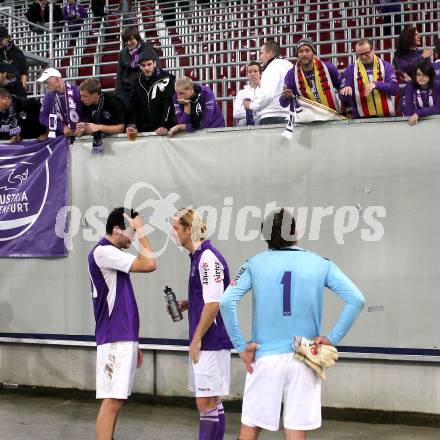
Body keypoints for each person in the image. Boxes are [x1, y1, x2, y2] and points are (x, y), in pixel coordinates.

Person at [220, 208, 365, 440]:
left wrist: (240, 346)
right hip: (304, 357)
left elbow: (227, 302)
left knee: (250, 428)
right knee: (295, 429)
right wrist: (332, 337)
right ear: (295, 232)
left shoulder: (253, 264)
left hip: (264, 356)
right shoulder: (320, 263)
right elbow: (356, 299)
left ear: (265, 236)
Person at [88, 207, 156, 440]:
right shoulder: (103, 252)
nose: (134, 238)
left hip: (122, 337)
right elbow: (149, 264)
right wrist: (141, 228)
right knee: (112, 401)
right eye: (131, 233)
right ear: (117, 230)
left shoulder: (110, 254)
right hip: (115, 336)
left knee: (116, 400)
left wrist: (134, 342)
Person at [170, 208, 233, 440]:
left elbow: (214, 303)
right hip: (207, 341)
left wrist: (196, 339)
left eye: (176, 228)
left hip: (211, 341)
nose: (173, 233)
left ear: (189, 229)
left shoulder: (207, 258)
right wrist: (189, 302)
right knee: (211, 401)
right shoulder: (197, 257)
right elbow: (208, 297)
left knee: (205, 401)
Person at [340, 38, 399, 118]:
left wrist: (376, 85)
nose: (363, 57)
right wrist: (346, 92)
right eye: (360, 54)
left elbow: (395, 89)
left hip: (386, 117)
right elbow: (343, 98)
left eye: (366, 53)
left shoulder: (386, 66)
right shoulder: (350, 70)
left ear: (373, 50)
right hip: (361, 119)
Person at [280, 38, 342, 114]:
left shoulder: (328, 68)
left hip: (332, 116)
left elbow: (342, 88)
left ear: (313, 52)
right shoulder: (291, 75)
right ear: (297, 55)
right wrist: (285, 97)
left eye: (307, 50)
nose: (304, 54)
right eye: (300, 51)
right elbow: (283, 104)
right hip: (307, 119)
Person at [126, 48, 175, 137]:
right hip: (144, 128)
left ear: (154, 63)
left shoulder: (167, 78)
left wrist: (164, 125)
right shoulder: (137, 82)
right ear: (139, 66)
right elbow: (134, 106)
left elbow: (168, 103)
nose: (147, 68)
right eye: (143, 65)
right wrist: (133, 125)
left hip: (164, 128)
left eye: (149, 64)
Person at [243, 40, 292, 125]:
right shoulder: (290, 66)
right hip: (290, 118)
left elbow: (267, 95)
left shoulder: (271, 68)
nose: (260, 57)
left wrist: (251, 105)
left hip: (271, 118)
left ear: (269, 53)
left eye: (261, 53)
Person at [115, 27, 160, 112]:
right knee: (118, 99)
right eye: (126, 41)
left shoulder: (148, 49)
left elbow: (157, 69)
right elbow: (120, 74)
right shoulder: (122, 53)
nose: (128, 43)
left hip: (145, 83)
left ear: (137, 38)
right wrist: (117, 91)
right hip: (128, 86)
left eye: (131, 40)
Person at [76, 79, 125, 153]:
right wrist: (82, 129)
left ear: (95, 95)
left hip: (119, 145)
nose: (82, 99)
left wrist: (99, 127)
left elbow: (121, 128)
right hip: (98, 146)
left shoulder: (113, 102)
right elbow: (87, 124)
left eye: (85, 96)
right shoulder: (85, 104)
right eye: (81, 96)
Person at [38, 67, 83, 139]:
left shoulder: (76, 91)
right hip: (60, 137)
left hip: (80, 135)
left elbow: (86, 112)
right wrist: (62, 127)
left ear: (56, 79)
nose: (45, 86)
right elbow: (43, 118)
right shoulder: (48, 96)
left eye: (46, 82)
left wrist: (82, 126)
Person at [402, 59, 440, 125]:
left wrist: (419, 113)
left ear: (430, 75)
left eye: (424, 74)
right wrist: (427, 112)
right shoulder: (409, 86)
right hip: (415, 123)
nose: (421, 77)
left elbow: (438, 109)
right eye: (418, 74)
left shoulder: (437, 85)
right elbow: (407, 111)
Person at [233, 61, 262, 126]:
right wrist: (255, 111)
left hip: (261, 126)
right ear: (247, 74)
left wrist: (248, 108)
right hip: (244, 128)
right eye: (250, 72)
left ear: (260, 73)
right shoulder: (241, 93)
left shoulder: (265, 90)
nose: (252, 74)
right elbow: (235, 114)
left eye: (255, 71)